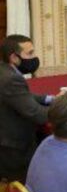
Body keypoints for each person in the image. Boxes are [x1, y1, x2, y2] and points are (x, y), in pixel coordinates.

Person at [0, 35, 55, 182]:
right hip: (14, 150)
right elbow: (37, 114)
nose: (34, 57)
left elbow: (22, 95)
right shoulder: (11, 79)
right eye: (29, 54)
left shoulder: (4, 69)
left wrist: (50, 99)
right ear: (14, 57)